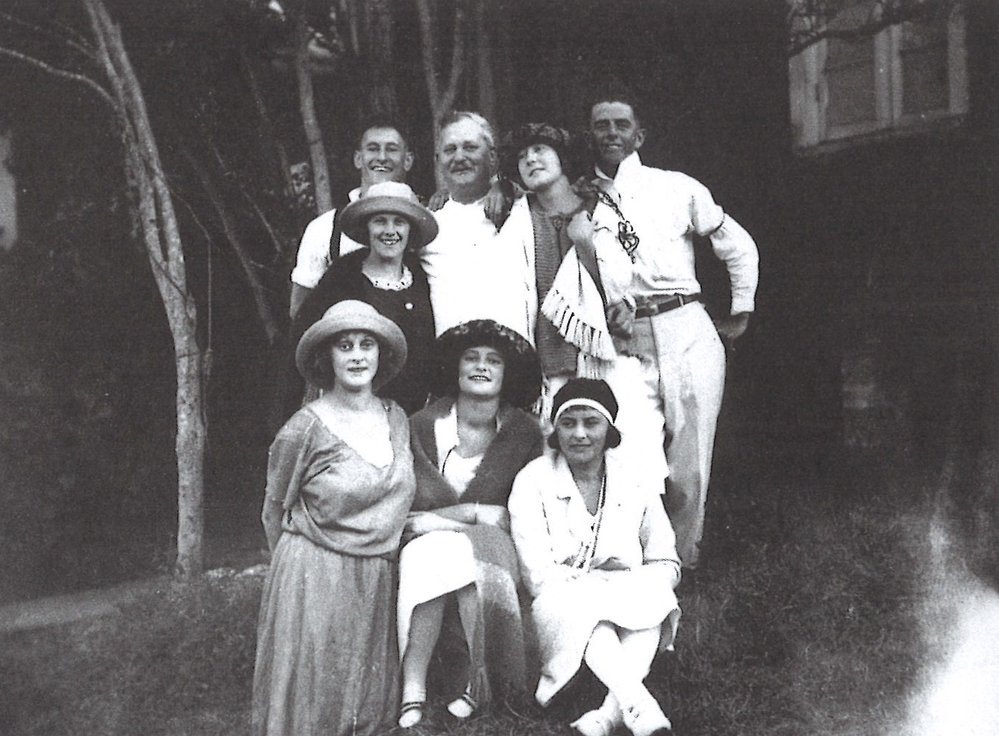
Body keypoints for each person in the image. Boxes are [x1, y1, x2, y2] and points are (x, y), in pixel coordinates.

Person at [585, 85, 760, 567]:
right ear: (591, 134)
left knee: (690, 462)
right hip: (623, 339)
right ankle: (637, 564)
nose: (612, 133)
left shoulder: (676, 186)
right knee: (631, 454)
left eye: (622, 124)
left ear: (640, 133)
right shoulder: (581, 200)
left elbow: (736, 245)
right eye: (603, 125)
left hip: (686, 327)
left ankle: (685, 566)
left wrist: (740, 310)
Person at [252, 300, 416, 736]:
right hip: (315, 575)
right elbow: (273, 509)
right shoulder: (304, 428)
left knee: (364, 707)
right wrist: (293, 586)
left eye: (367, 344)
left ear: (381, 355)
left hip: (377, 578)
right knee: (313, 708)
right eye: (346, 346)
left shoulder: (397, 418)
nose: (358, 355)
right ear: (328, 357)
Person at [508, 379, 681, 736]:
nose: (580, 434)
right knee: (587, 610)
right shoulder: (532, 480)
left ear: (609, 429)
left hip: (624, 590)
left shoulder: (634, 478)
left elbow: (665, 558)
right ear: (556, 430)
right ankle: (640, 704)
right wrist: (590, 586)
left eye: (591, 422)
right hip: (560, 599)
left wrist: (642, 581)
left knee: (655, 595)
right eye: (568, 424)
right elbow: (537, 574)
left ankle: (606, 717)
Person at [496, 122, 668, 481]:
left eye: (540, 150)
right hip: (554, 363)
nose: (531, 159)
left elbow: (629, 282)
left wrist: (586, 245)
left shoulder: (603, 208)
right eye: (523, 156)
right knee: (560, 464)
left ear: (562, 158)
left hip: (611, 356)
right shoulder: (517, 219)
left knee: (635, 456)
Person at [396, 319, 544, 727]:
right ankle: (414, 684)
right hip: (427, 540)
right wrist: (473, 515)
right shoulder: (421, 426)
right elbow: (405, 510)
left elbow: (526, 511)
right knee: (433, 553)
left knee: (456, 550)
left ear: (506, 373)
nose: (481, 366)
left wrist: (449, 520)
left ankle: (476, 682)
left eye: (493, 360)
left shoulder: (526, 434)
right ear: (455, 369)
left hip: (495, 542)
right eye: (471, 358)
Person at [292, 181, 438, 414]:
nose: (390, 231)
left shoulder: (420, 275)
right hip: (351, 413)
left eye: (399, 222)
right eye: (380, 221)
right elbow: (304, 336)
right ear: (367, 227)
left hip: (412, 414)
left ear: (410, 229)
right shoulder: (343, 276)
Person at [289, 119, 415, 319]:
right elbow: (300, 312)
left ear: (408, 160)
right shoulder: (324, 229)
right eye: (373, 149)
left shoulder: (424, 223)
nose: (381, 157)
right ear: (358, 159)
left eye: (391, 149)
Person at [421, 111, 522, 335]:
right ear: (438, 161)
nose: (459, 157)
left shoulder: (522, 209)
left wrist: (504, 185)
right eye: (450, 150)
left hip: (516, 360)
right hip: (449, 361)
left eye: (470, 147)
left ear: (492, 157)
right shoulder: (425, 224)